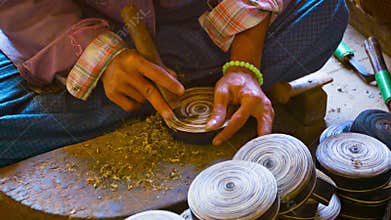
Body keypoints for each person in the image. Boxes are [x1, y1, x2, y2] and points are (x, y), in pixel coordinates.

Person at [0, 0, 349, 166]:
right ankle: (128, 82)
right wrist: (101, 58)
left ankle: (145, 88)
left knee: (326, 10)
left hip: (201, 17)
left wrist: (244, 64)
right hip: (78, 25)